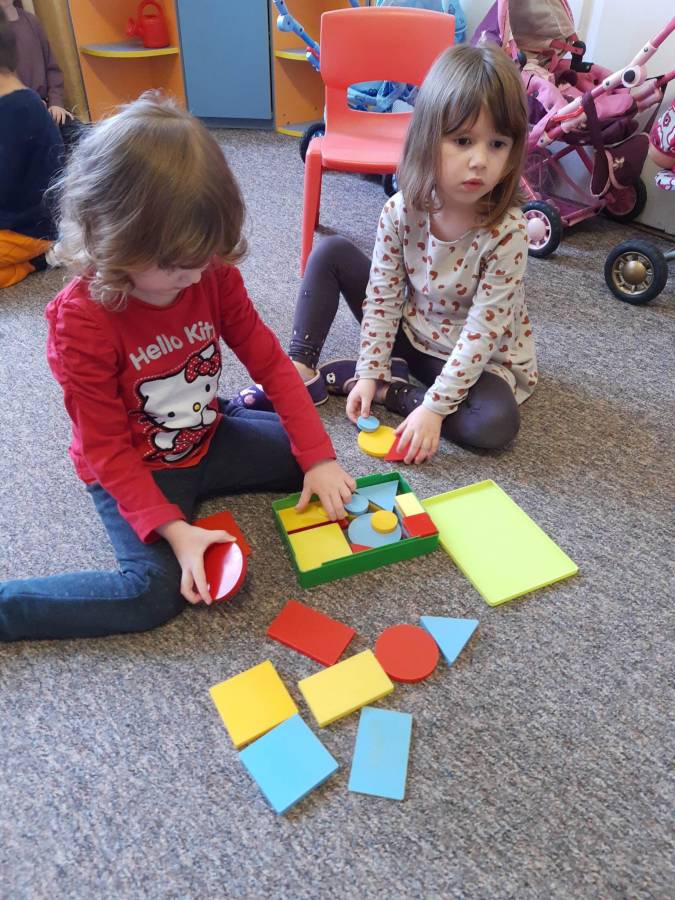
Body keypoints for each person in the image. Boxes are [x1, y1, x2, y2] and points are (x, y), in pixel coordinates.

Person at [0, 93, 355, 642]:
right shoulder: (81, 322)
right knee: (151, 594)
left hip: (205, 433)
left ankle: (235, 415)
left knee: (313, 462)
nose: (193, 276)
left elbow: (273, 364)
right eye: (174, 266)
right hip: (134, 466)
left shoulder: (208, 270)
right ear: (110, 240)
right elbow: (105, 448)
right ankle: (9, 609)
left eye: (203, 257)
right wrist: (173, 529)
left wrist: (319, 457)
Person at [239, 43, 538, 464]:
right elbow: (382, 297)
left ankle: (397, 394)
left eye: (497, 144)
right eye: (463, 140)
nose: (479, 161)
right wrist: (369, 368)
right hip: (410, 330)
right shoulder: (400, 211)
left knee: (494, 424)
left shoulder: (509, 231)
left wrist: (432, 409)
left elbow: (482, 333)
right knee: (331, 252)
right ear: (428, 139)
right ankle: (303, 368)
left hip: (474, 358)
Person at [0, 6, 63, 288]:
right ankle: (34, 260)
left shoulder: (19, 110)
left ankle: (37, 259)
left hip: (26, 229)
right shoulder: (17, 103)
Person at [1, 0, 81, 146]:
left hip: (47, 108)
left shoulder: (31, 21)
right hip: (15, 115)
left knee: (84, 138)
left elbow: (52, 69)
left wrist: (56, 103)